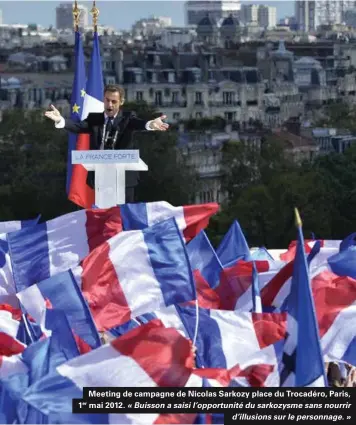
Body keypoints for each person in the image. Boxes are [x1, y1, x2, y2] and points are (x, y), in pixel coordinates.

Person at [44, 84, 169, 203]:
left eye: (114, 101)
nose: (109, 105)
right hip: (101, 178)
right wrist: (61, 120)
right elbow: (78, 127)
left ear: (121, 102)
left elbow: (140, 124)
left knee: (123, 219)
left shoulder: (128, 117)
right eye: (107, 100)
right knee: (104, 217)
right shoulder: (94, 119)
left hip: (124, 181)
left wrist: (151, 124)